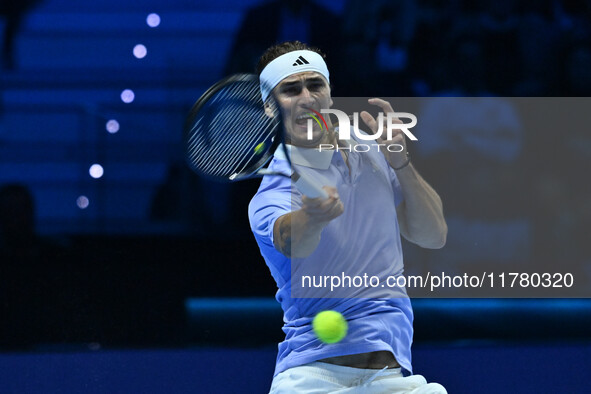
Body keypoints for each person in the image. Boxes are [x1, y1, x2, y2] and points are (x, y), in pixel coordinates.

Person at [248, 41, 448, 393]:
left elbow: (433, 235)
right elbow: (291, 240)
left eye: (315, 85)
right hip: (312, 377)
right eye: (291, 90)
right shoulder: (275, 191)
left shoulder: (373, 147)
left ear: (329, 93)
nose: (307, 98)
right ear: (269, 106)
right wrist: (313, 217)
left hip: (392, 377)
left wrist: (400, 162)